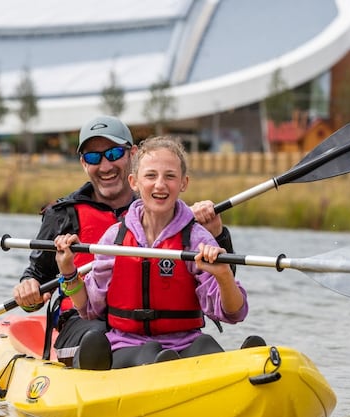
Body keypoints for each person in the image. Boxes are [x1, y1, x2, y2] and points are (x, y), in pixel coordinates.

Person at [13, 116, 237, 367]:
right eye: (93, 157)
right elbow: (39, 276)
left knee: (193, 345)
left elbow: (223, 288)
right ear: (83, 164)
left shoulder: (162, 203)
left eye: (114, 153)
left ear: (131, 155)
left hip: (164, 331)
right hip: (86, 319)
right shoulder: (63, 214)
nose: (105, 165)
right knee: (97, 335)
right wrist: (29, 287)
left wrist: (217, 234)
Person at [53, 136, 256, 370]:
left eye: (170, 176)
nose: (160, 184)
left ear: (183, 183)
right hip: (125, 346)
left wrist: (223, 275)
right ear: (134, 182)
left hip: (185, 345)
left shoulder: (196, 239)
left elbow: (234, 313)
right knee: (150, 352)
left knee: (206, 345)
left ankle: (240, 369)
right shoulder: (114, 239)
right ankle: (155, 369)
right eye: (151, 176)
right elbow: (89, 308)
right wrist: (68, 271)